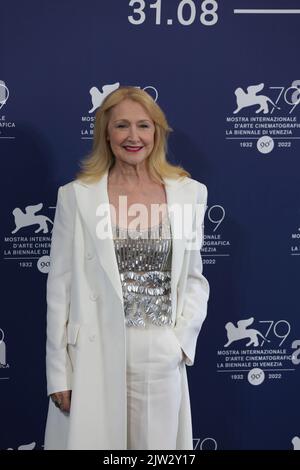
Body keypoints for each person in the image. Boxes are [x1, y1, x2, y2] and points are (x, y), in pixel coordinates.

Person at [44, 86, 209, 450]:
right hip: (93, 353)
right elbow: (60, 287)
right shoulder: (76, 196)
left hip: (160, 352)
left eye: (143, 126)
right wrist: (58, 372)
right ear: (106, 133)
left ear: (157, 132)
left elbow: (195, 279)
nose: (133, 137)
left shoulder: (189, 193)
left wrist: (179, 343)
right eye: (121, 126)